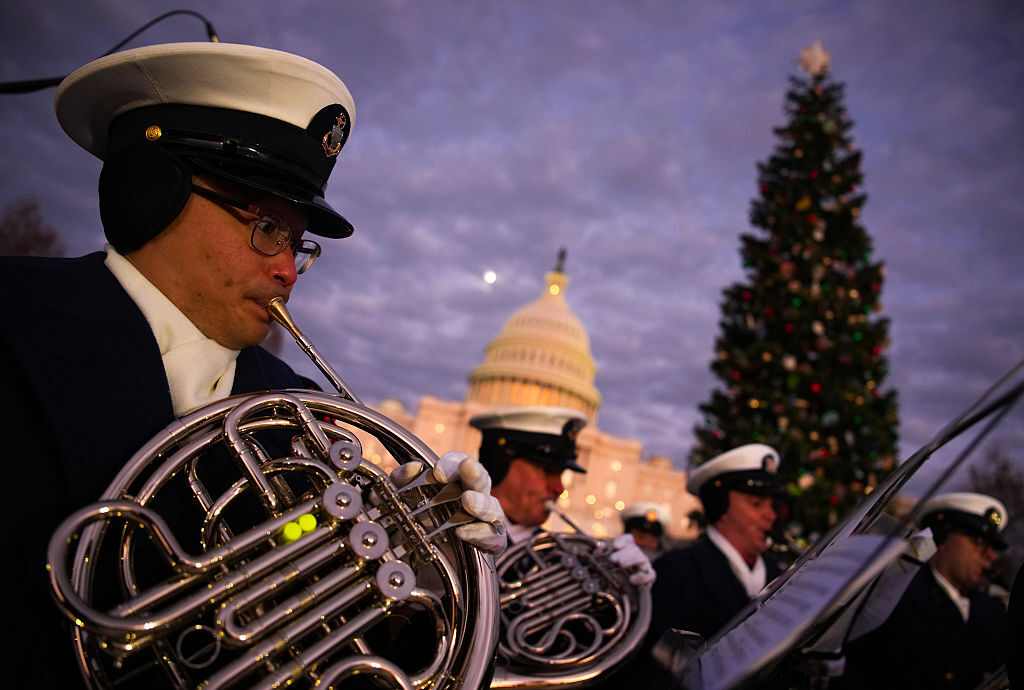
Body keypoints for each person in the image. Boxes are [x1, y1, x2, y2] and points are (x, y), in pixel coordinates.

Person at [0, 40, 503, 686]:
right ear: (150, 192)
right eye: (267, 227)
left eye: (300, 244)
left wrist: (425, 563)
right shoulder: (15, 321)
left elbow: (319, 600)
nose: (289, 270)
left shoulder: (296, 416)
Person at [468, 406, 656, 682]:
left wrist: (625, 594)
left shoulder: (566, 556)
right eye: (547, 470)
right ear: (499, 463)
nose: (560, 488)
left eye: (561, 474)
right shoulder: (453, 536)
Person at [839, 492, 1010, 689]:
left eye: (992, 547)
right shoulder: (893, 593)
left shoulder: (990, 610)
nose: (990, 556)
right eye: (979, 543)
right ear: (942, 538)